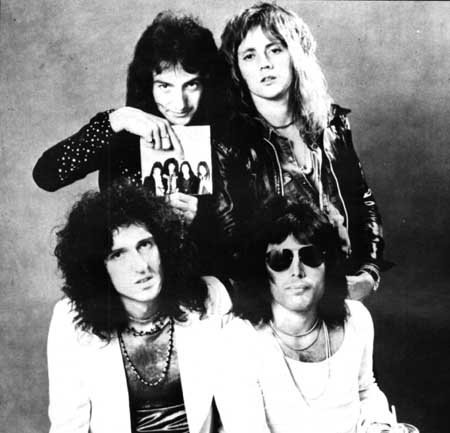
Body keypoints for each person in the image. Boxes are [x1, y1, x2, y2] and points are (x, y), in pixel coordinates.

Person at [218, 2, 390, 299]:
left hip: (341, 292)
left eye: (275, 49)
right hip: (277, 302)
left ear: (296, 54)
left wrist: (369, 273)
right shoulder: (230, 144)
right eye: (249, 55)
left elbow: (363, 201)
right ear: (238, 70)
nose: (264, 64)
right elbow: (230, 240)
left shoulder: (332, 123)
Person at [47, 183, 231, 433]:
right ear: (96, 268)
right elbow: (68, 426)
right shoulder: (69, 319)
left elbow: (238, 415)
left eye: (145, 245)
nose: (141, 266)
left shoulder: (210, 298)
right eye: (118, 255)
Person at [214, 196, 392, 433]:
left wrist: (380, 426)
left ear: (328, 264)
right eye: (280, 259)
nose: (296, 271)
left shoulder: (356, 318)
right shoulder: (237, 340)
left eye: (310, 256)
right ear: (261, 270)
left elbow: (366, 390)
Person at [32, 11, 223, 224]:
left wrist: (203, 220)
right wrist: (116, 120)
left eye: (191, 85)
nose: (180, 103)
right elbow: (46, 175)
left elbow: (245, 229)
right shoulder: (121, 129)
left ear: (208, 82)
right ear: (147, 84)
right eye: (165, 86)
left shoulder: (227, 136)